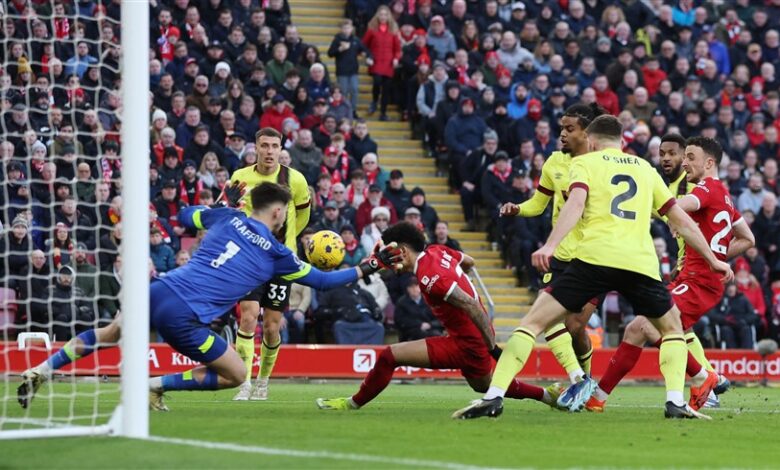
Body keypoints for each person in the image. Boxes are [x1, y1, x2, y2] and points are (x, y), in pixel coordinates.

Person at [18, 182, 402, 411]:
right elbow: (321, 281)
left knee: (111, 332)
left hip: (160, 289)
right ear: (279, 211)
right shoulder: (278, 254)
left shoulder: (227, 217)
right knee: (235, 374)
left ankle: (44, 368)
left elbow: (185, 217)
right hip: (186, 317)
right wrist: (370, 266)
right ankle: (155, 385)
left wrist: (221, 202)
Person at [454, 115, 733, 420]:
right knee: (673, 331)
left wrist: (550, 244)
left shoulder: (585, 163)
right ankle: (676, 401)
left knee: (532, 323)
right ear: (622, 141)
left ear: (592, 140)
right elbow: (679, 218)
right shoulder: (645, 169)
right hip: (639, 263)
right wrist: (713, 258)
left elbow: (574, 204)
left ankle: (494, 396)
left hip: (593, 260)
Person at [316, 222, 564, 411]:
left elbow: (471, 306)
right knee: (483, 385)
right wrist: (458, 275)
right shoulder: (437, 251)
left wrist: (493, 348)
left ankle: (352, 403)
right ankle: (547, 395)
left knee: (389, 356)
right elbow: (469, 261)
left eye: (390, 254)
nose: (389, 260)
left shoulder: (429, 276)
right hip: (464, 335)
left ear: (402, 251)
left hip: (468, 342)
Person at [585, 136, 755, 413]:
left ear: (709, 163)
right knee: (638, 328)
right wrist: (718, 258)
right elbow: (747, 238)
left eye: (690, 157)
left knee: (646, 326)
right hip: (694, 279)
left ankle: (701, 379)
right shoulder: (724, 195)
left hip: (699, 282)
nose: (684, 162)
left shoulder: (706, 189)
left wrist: (659, 213)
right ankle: (598, 399)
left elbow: (677, 206)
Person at [498, 103, 606, 383]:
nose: (562, 135)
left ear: (587, 133)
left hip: (596, 256)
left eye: (569, 129)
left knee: (575, 326)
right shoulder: (554, 163)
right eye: (561, 128)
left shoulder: (604, 164)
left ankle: (586, 376)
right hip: (560, 255)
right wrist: (518, 208)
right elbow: (538, 203)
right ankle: (578, 381)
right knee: (549, 321)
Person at [229, 128, 311, 402]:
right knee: (249, 316)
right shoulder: (240, 178)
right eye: (264, 145)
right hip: (249, 261)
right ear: (256, 147)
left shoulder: (295, 180)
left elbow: (302, 217)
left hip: (280, 262)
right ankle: (245, 382)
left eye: (274, 146)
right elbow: (231, 214)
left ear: (280, 149)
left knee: (273, 326)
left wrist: (285, 242)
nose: (269, 151)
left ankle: (263, 381)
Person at [362, 5, 401, 121]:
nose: (383, 17)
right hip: (376, 61)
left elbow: (397, 49)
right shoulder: (372, 30)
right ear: (377, 16)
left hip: (389, 63)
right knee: (377, 81)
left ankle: (383, 112)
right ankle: (374, 101)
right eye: (381, 14)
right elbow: (363, 45)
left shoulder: (393, 31)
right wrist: (368, 56)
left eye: (385, 15)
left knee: (386, 88)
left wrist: (396, 58)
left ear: (389, 16)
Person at [393, 276, 443, 341]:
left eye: (416, 286)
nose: (414, 289)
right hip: (412, 332)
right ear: (407, 289)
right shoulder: (401, 303)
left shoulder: (429, 299)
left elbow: (440, 317)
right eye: (411, 287)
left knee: (436, 336)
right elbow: (400, 321)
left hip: (432, 329)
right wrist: (419, 324)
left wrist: (430, 325)